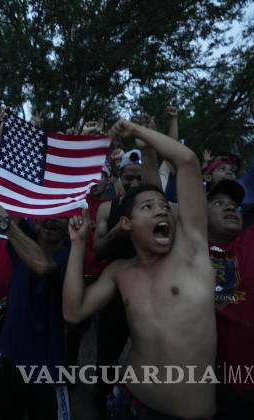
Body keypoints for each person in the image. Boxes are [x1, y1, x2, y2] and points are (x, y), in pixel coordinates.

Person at [64, 119, 216, 418]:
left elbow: (187, 161)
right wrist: (78, 244)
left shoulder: (192, 252)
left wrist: (137, 132)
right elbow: (73, 312)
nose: (161, 210)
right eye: (147, 207)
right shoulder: (119, 271)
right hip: (128, 403)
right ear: (127, 224)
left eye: (164, 206)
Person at [0, 203, 71, 420]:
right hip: (10, 355)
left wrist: (4, 222)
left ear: (70, 224)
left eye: (61, 216)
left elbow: (43, 266)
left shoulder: (70, 257)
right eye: (47, 212)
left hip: (47, 367)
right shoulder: (20, 243)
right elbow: (16, 213)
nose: (52, 220)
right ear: (36, 220)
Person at [205, 173, 254, 419]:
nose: (230, 207)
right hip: (216, 389)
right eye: (217, 203)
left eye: (233, 205)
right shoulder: (189, 251)